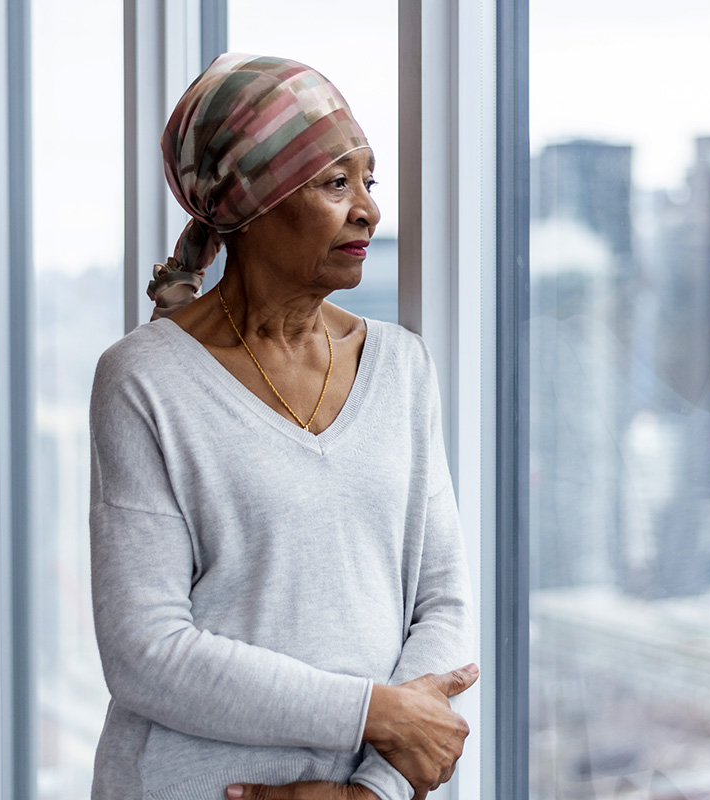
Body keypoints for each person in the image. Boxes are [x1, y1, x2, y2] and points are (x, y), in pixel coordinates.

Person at [88, 53, 475, 800]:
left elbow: (443, 602)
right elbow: (145, 650)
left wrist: (374, 790)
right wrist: (372, 712)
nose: (367, 208)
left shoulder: (402, 366)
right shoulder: (143, 380)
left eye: (369, 179)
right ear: (249, 202)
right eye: (336, 182)